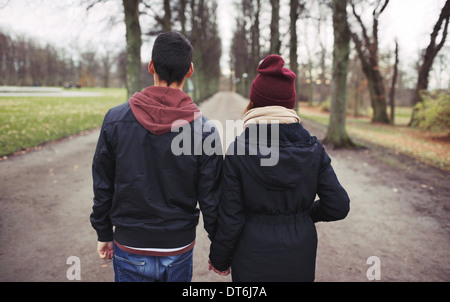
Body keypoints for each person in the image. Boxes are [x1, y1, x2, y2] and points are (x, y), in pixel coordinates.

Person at [90, 32, 222, 282]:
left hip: (130, 243)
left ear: (151, 65)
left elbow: (103, 184)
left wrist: (103, 232)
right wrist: (221, 248)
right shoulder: (205, 131)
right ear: (190, 70)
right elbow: (212, 198)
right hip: (178, 245)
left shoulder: (115, 119)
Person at [208, 54, 350, 281]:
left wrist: (219, 259)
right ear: (290, 104)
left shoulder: (239, 150)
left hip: (251, 257)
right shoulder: (314, 149)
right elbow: (339, 206)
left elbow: (231, 216)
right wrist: (302, 215)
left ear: (254, 102)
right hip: (299, 255)